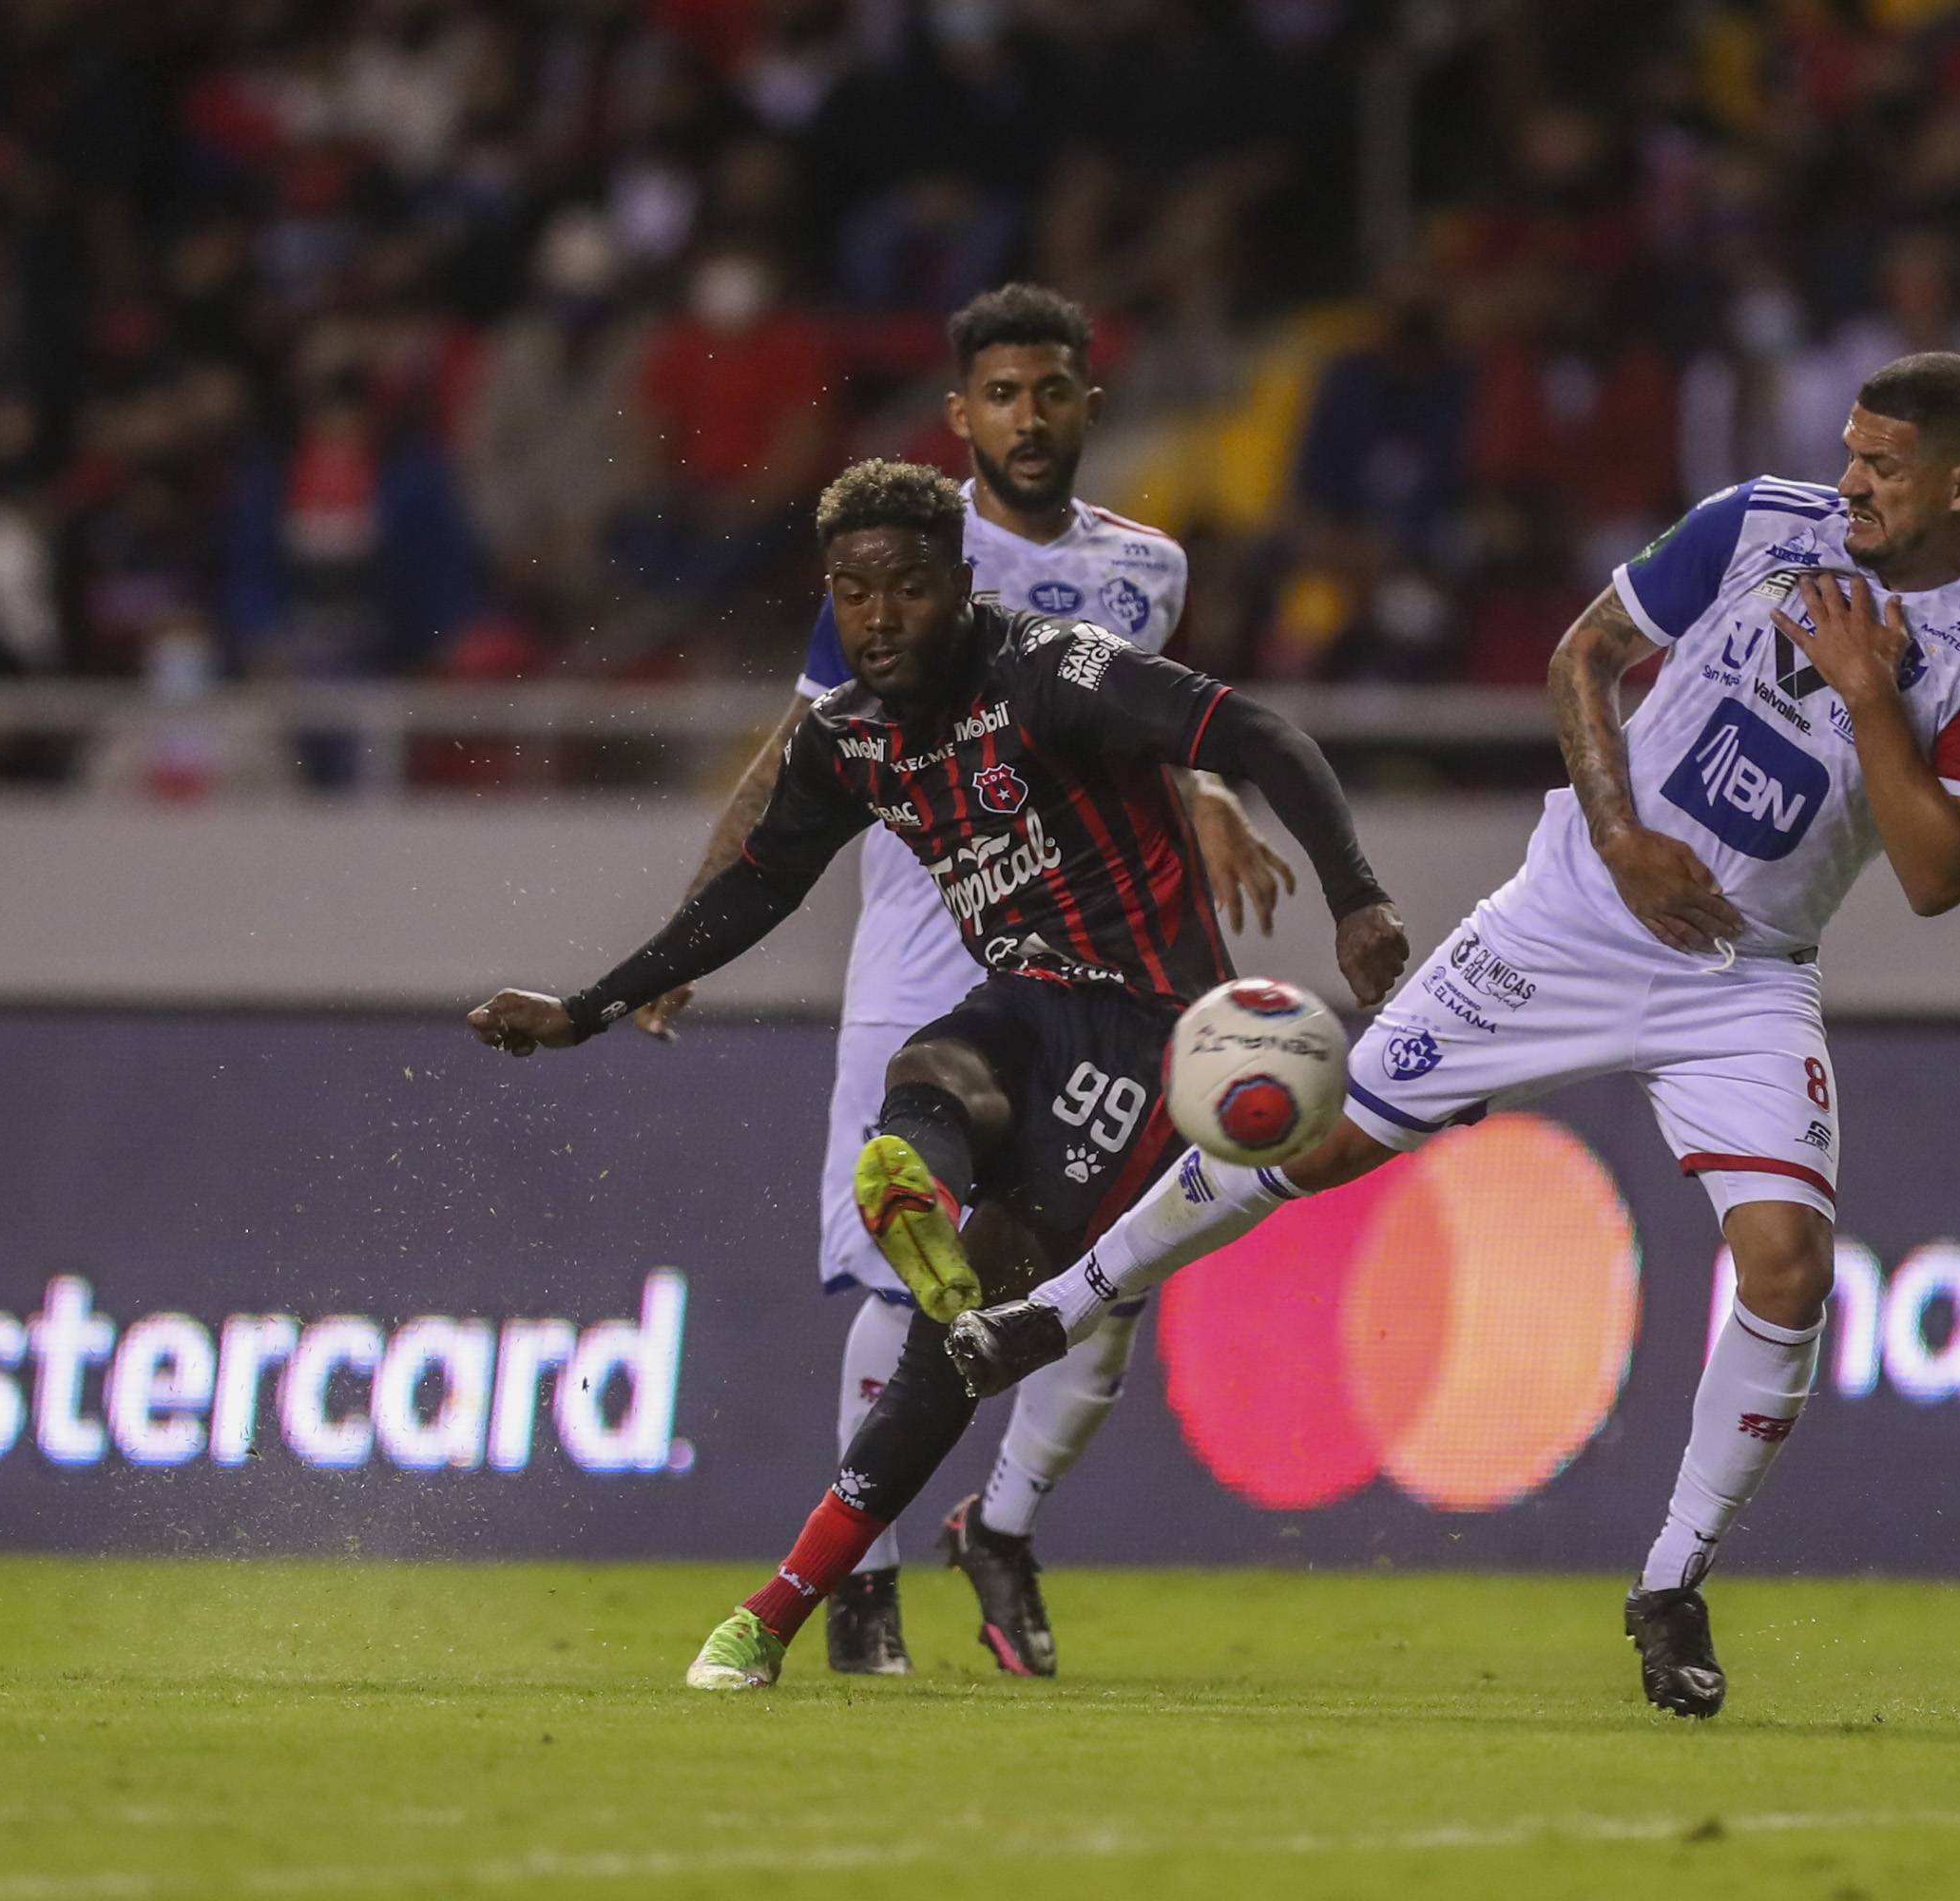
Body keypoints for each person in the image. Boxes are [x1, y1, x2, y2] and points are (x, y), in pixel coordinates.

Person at [947, 353, 1960, 1720]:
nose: (1853, 483)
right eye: (1851, 452)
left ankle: (1669, 1584)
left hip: (1742, 975)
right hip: (1573, 915)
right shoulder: (1761, 523)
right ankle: (1049, 1313)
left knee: (1789, 1264)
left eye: (1883, 468)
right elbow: (1586, 654)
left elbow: (1942, 874)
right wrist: (1619, 833)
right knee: (1318, 1131)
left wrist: (1870, 693)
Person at [465, 458, 1407, 1693]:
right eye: (852, 593)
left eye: (908, 587)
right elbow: (758, 885)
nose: (879, 616)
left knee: (960, 1345)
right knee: (927, 1078)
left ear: (960, 586)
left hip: (1141, 1031)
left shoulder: (1052, 672)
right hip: (1020, 999)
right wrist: (587, 1007)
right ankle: (915, 1196)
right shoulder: (848, 734)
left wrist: (1358, 900)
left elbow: (1262, 734)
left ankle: (779, 1607)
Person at [631, 283, 1294, 1678]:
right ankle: (860, 1585)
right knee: (905, 1271)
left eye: (1051, 392)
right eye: (1002, 395)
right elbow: (794, 755)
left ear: (1086, 405)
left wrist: (1212, 789)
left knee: (1108, 1281)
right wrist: (696, 923)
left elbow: (1141, 717)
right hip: (930, 934)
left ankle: (1001, 1525)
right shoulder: (907, 554)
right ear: (961, 414)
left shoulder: (1147, 566)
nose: (1029, 419)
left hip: (1093, 939)